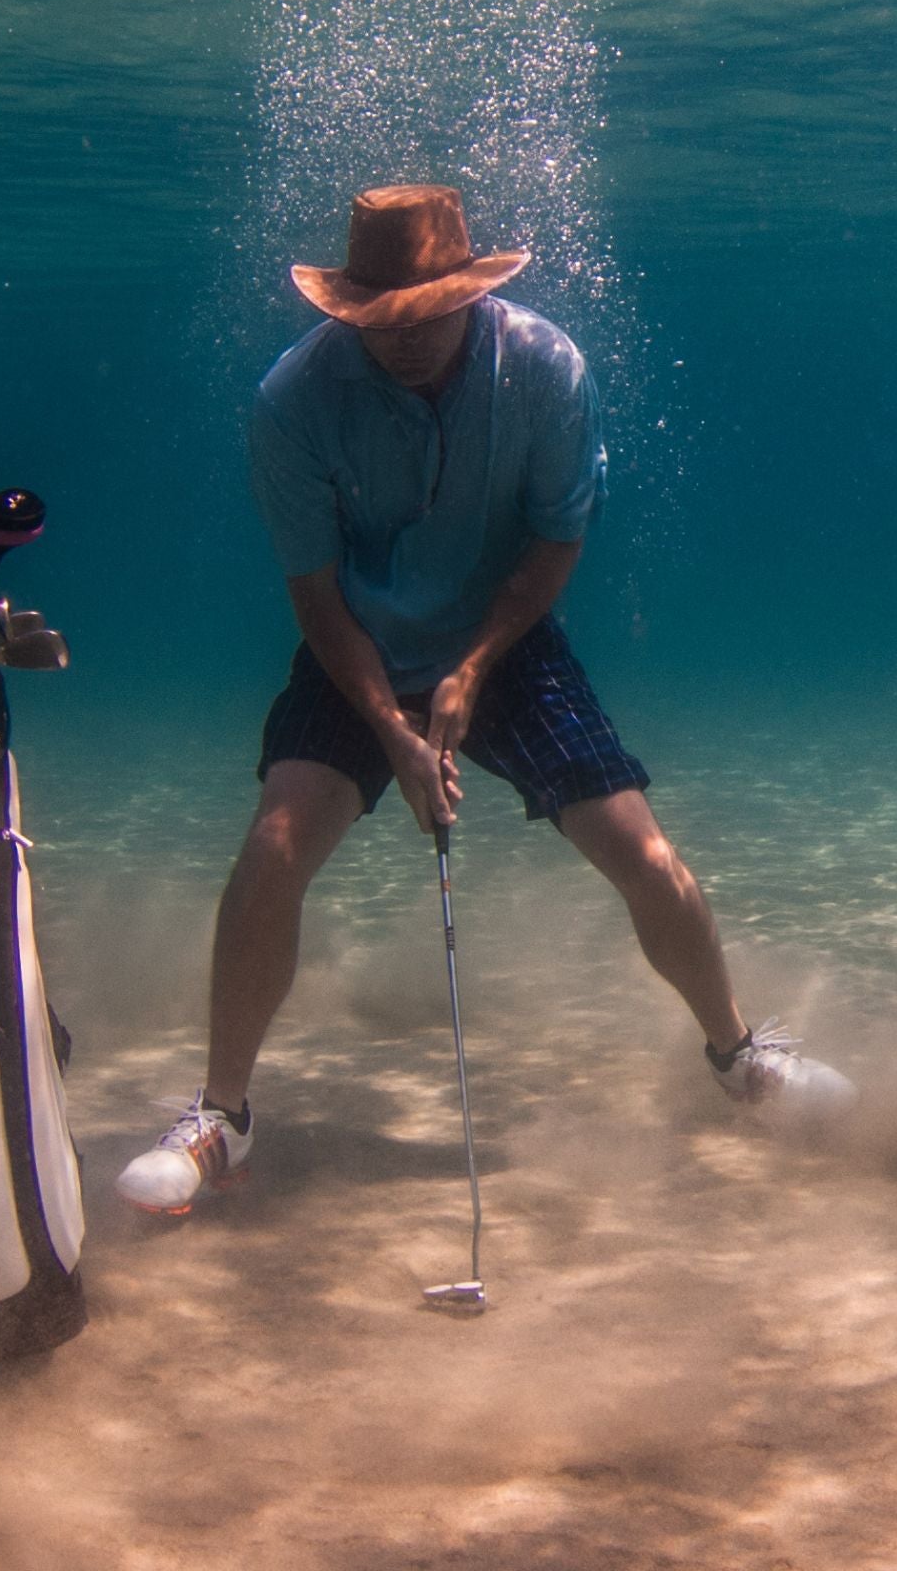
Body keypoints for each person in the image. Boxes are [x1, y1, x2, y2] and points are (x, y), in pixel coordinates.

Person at [117, 184, 854, 1214]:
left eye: (428, 311)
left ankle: (736, 1054)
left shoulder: (544, 368)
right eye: (381, 319)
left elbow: (556, 539)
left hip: (502, 641)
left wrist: (468, 669)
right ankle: (222, 1119)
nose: (406, 338)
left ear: (469, 290)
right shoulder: (291, 401)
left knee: (640, 850)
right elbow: (316, 599)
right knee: (272, 850)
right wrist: (391, 727)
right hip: (358, 650)